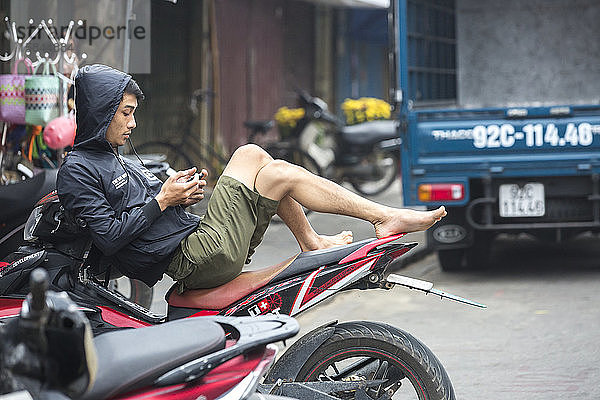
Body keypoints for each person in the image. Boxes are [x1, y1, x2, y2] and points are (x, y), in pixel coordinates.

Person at [57, 65, 446, 292]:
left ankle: (318, 237)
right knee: (265, 165)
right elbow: (108, 238)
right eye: (125, 113)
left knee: (258, 158)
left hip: (200, 239)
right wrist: (162, 200)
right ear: (102, 113)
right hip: (196, 257)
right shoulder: (77, 170)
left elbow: (144, 211)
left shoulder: (111, 157)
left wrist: (182, 193)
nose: (133, 122)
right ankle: (379, 217)